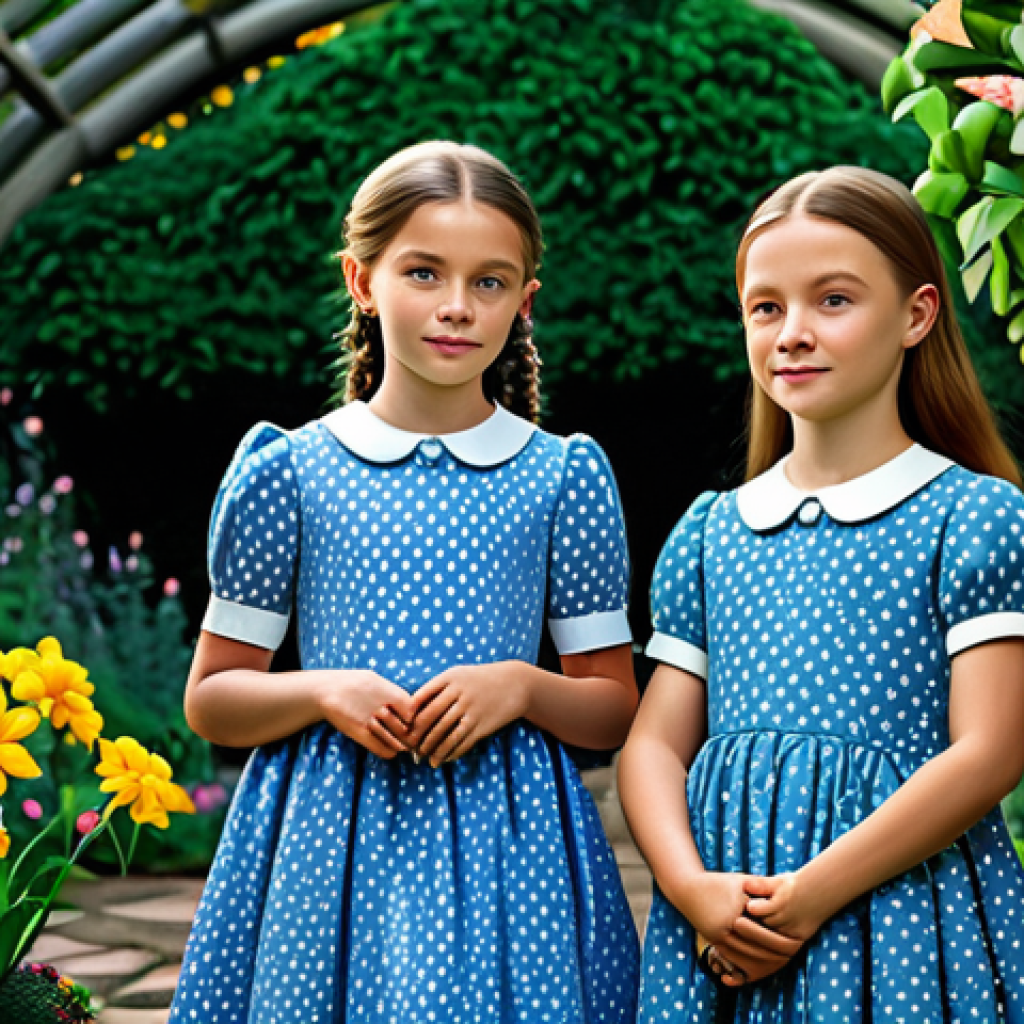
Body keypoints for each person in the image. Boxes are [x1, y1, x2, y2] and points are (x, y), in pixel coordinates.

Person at [169, 141, 640, 1024]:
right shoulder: (289, 473)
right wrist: (323, 691)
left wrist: (521, 686)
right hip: (324, 847)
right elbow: (213, 700)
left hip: (516, 854)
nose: (457, 307)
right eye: (423, 273)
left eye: (490, 283)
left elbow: (611, 708)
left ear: (524, 302)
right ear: (362, 280)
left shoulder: (561, 478)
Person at [619, 166, 1024, 1023]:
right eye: (766, 308)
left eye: (832, 300)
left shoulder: (973, 517)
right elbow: (651, 748)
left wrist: (808, 896)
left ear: (917, 315)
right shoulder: (709, 535)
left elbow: (990, 751)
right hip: (720, 937)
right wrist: (693, 891)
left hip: (908, 926)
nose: (792, 333)